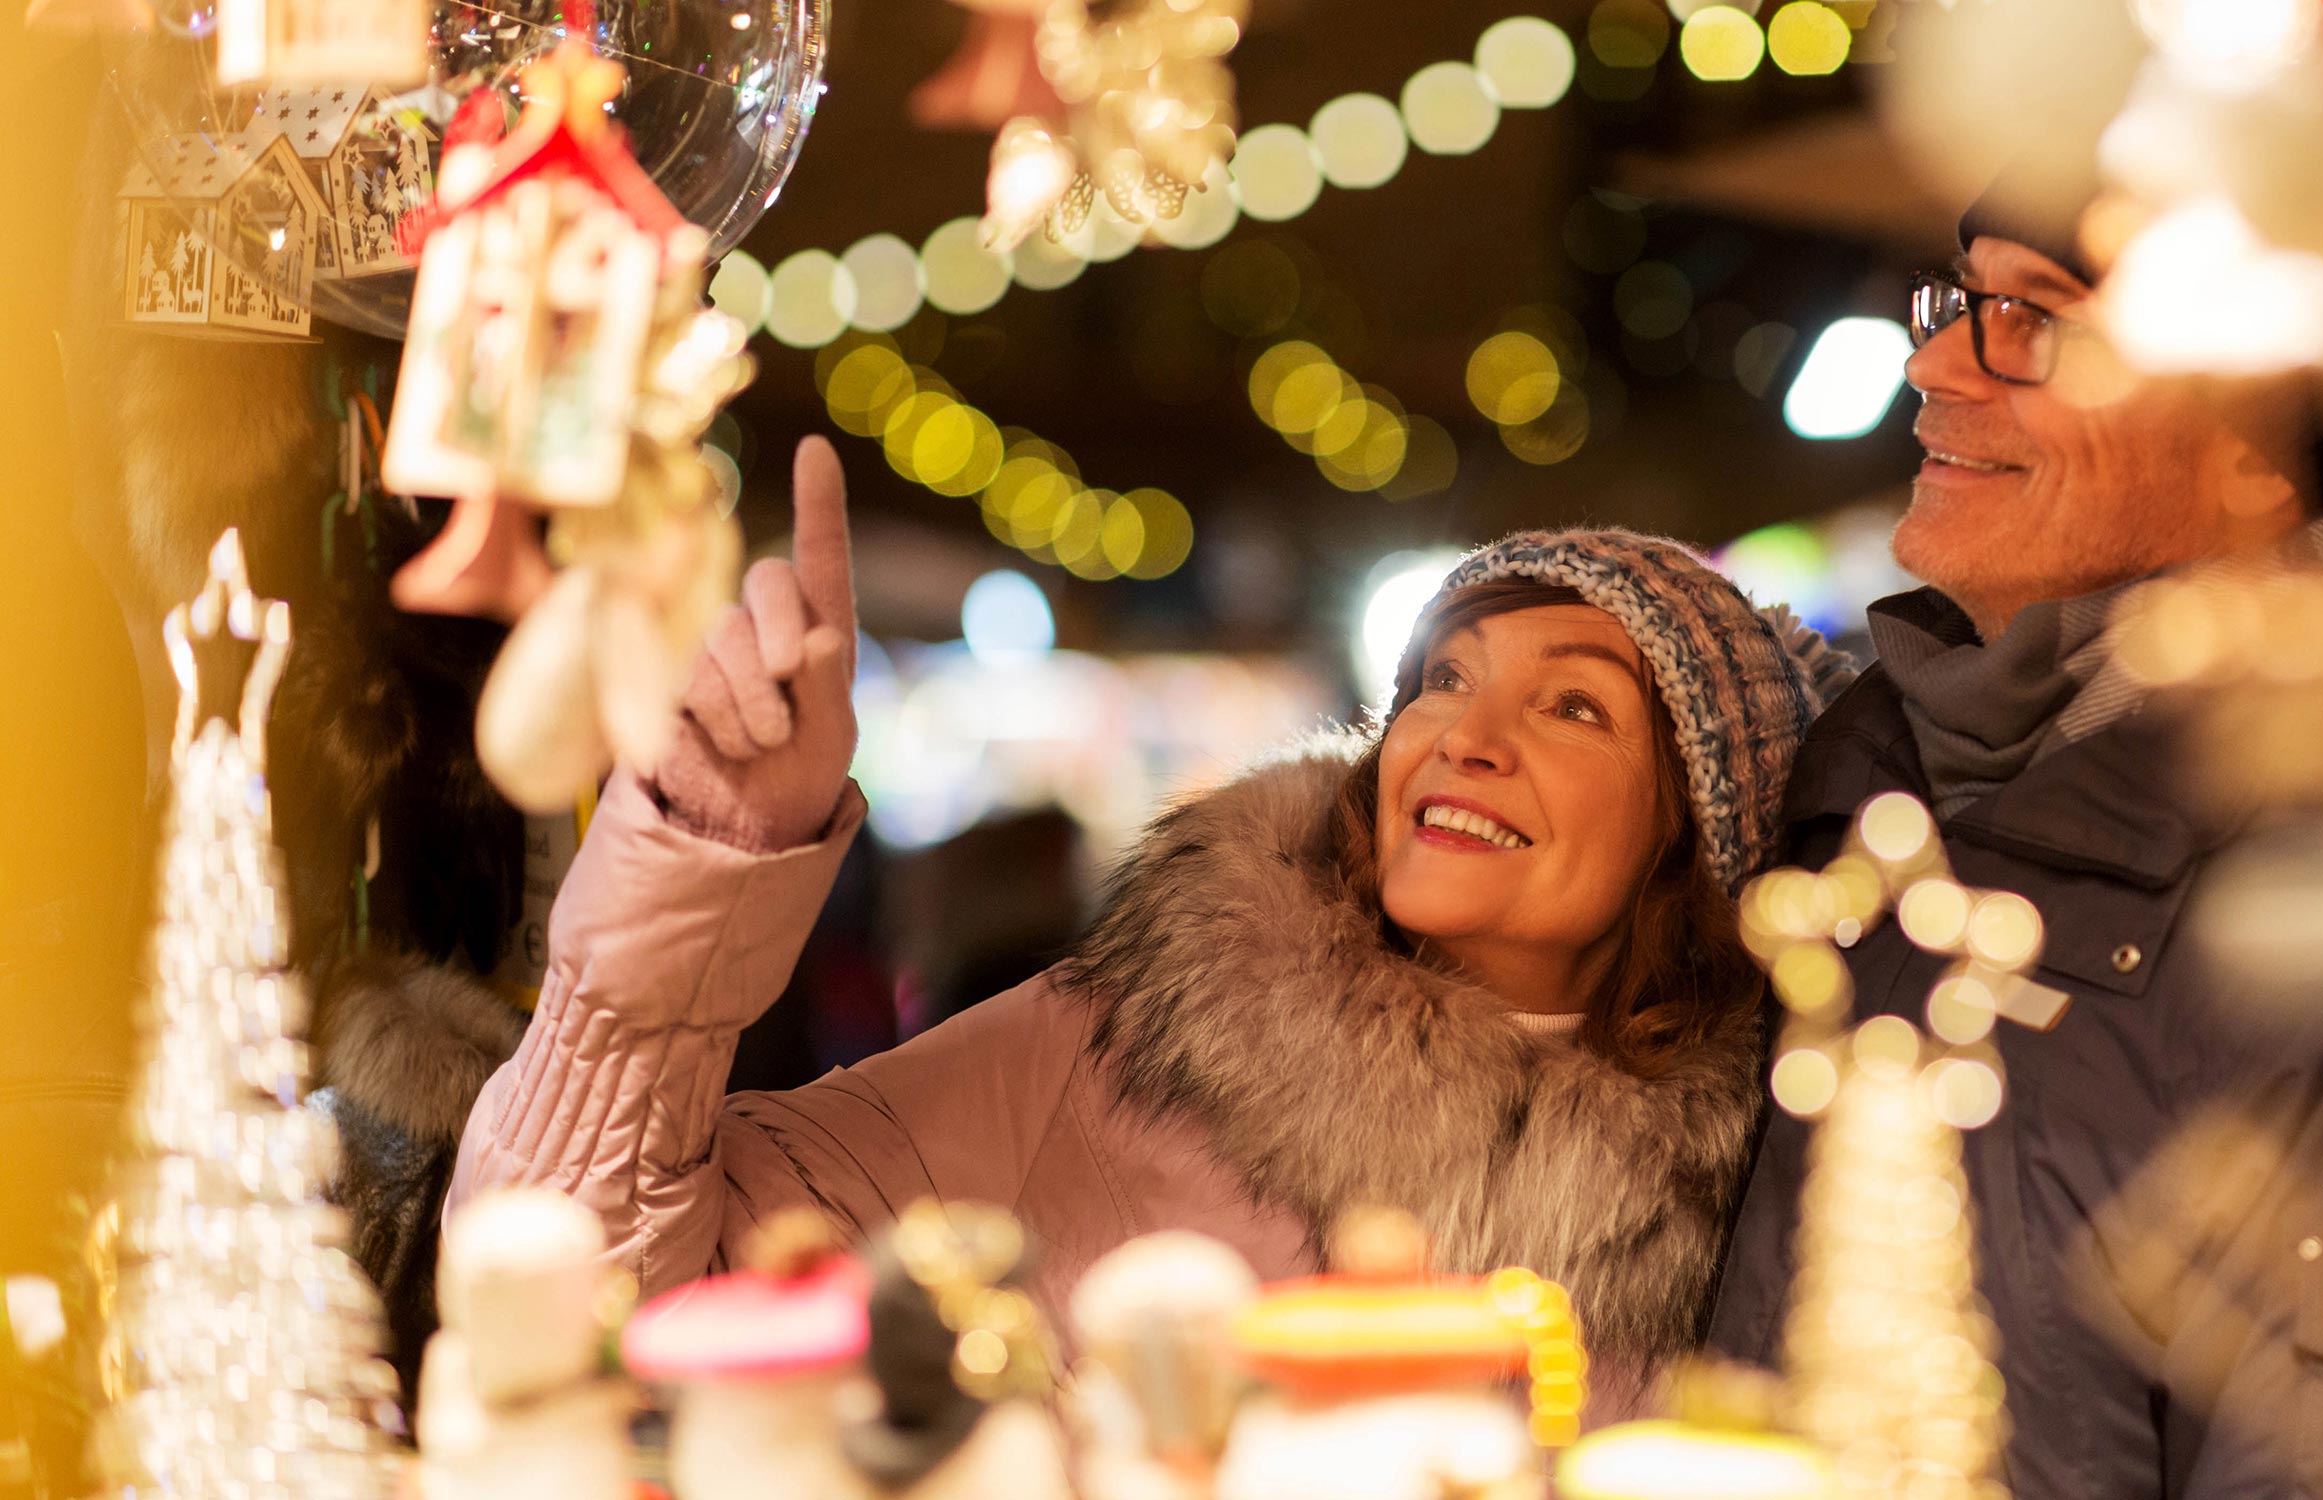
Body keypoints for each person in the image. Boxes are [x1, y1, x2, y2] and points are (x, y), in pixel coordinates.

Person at [445, 437, 1849, 1406]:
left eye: (1573, 706)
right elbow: (582, 1294)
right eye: (1444, 678)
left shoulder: (1766, 1203)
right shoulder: (1126, 1046)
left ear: (1699, 832)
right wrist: (704, 862)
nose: (1464, 737)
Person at [1700, 202, 2323, 1497]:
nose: (1935, 363)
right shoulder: (1866, 784)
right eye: (1959, 298)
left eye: (2034, 318)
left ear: (2257, 439)